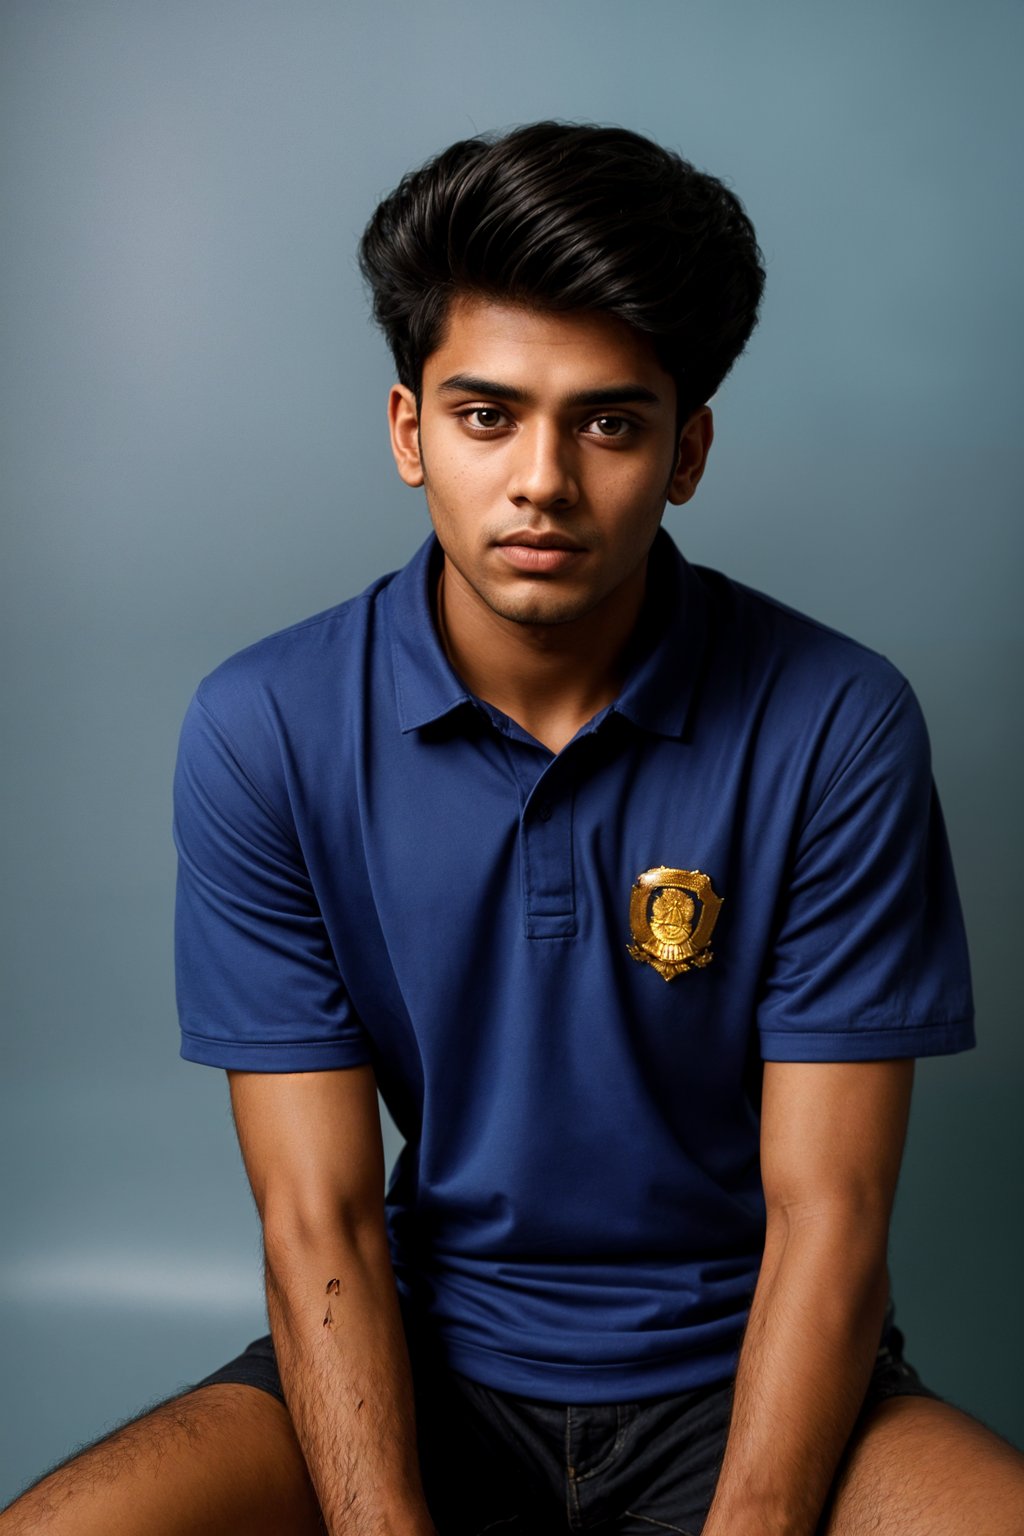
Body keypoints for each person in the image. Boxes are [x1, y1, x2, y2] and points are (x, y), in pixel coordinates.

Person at [3, 121, 1022, 1536]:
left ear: (687, 451)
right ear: (410, 431)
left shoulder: (834, 719)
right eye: (487, 415)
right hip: (421, 1367)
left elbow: (832, 1217)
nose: (543, 478)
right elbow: (320, 1225)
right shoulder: (269, 727)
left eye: (609, 421)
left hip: (746, 1376)